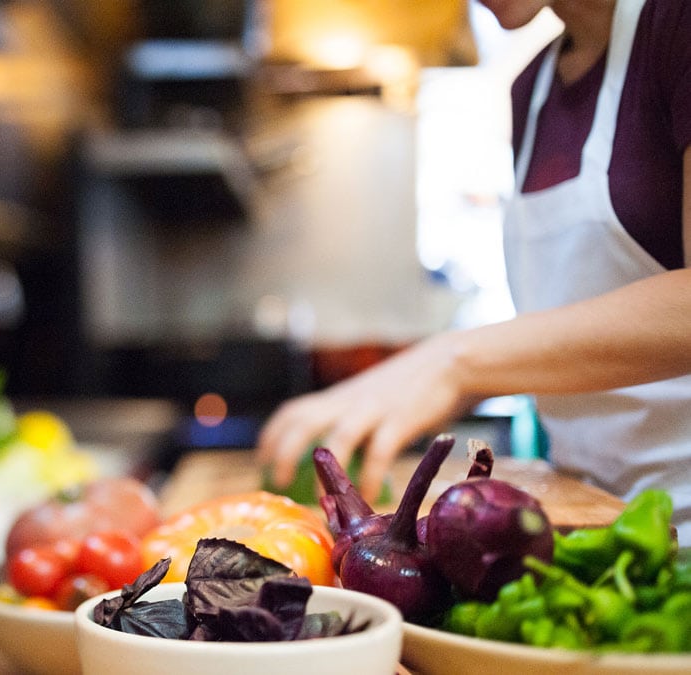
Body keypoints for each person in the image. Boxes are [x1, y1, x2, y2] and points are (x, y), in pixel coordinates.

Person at [256, 0, 691, 546]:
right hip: (592, 526)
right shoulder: (529, 91)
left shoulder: (675, 27)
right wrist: (412, 386)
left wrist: (455, 363)